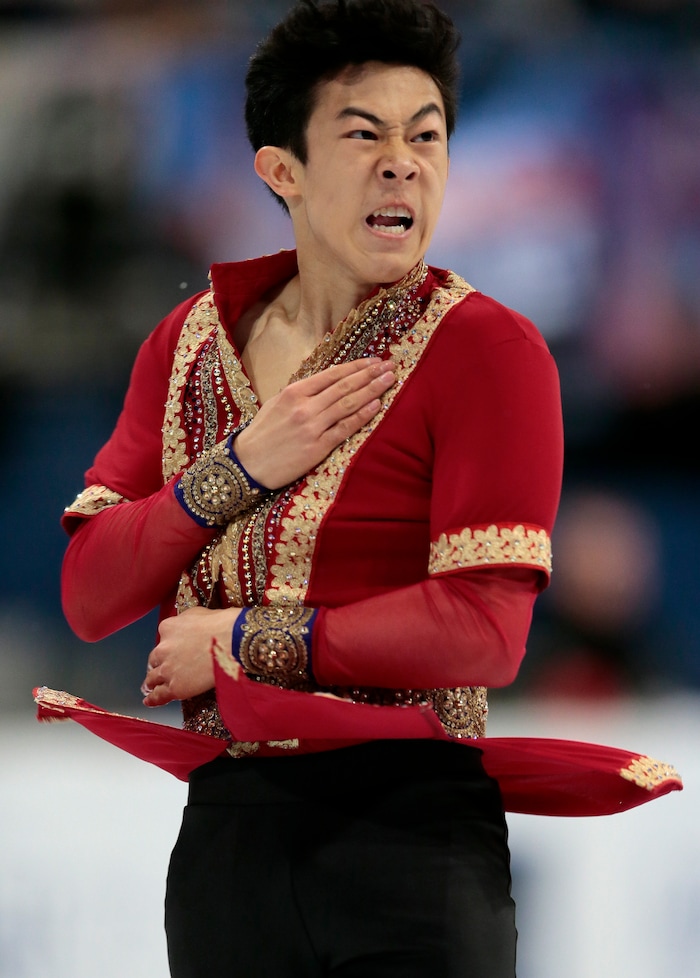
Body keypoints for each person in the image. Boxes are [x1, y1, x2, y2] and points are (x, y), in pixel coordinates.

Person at [60, 1, 563, 975]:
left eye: (426, 135)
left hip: (411, 837)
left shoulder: (486, 349)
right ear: (280, 170)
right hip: (226, 840)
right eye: (363, 134)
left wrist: (245, 641)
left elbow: (485, 629)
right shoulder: (188, 343)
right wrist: (236, 468)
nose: (403, 162)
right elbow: (88, 595)